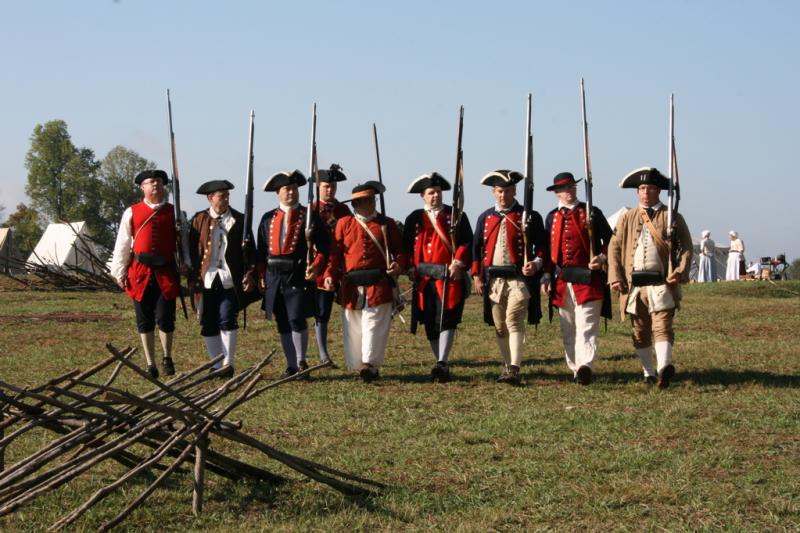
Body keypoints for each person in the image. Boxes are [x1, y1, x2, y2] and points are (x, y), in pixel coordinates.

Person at [607, 167, 692, 388]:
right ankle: (648, 372)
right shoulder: (628, 217)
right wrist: (616, 277)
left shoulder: (672, 216)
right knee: (640, 330)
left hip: (661, 284)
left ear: (659, 191)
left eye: (651, 188)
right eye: (642, 188)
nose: (646, 192)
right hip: (634, 286)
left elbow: (686, 247)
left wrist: (680, 272)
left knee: (662, 327)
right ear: (637, 192)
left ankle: (664, 368)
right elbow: (614, 248)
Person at [323, 181, 406, 382]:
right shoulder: (344, 224)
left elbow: (401, 252)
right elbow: (335, 254)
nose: (371, 203)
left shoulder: (387, 224)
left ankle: (369, 364)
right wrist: (328, 275)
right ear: (356, 204)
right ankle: (362, 365)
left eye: (372, 199)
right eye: (366, 200)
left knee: (374, 325)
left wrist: (398, 265)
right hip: (351, 286)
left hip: (378, 284)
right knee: (355, 326)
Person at [471, 170, 546, 386]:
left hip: (518, 280)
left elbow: (542, 247)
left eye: (508, 191)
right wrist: (477, 275)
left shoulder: (528, 215)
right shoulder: (485, 217)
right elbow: (476, 249)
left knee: (513, 320)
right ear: (494, 193)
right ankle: (506, 365)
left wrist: (537, 263)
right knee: (500, 326)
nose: (503, 195)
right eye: (499, 191)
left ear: (514, 191)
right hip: (493, 280)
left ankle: (514, 367)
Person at [256, 170, 329, 378]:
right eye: (287, 189)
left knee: (297, 318)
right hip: (274, 276)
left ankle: (301, 362)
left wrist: (315, 266)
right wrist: (261, 274)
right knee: (282, 321)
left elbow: (324, 247)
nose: (291, 193)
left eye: (295, 189)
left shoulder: (309, 216)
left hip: (298, 274)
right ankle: (290, 365)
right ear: (278, 192)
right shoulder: (267, 218)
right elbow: (261, 251)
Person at [541, 172, 612, 385]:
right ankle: (575, 368)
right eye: (564, 188)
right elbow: (547, 250)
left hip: (588, 277)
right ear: (557, 193)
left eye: (572, 187)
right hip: (562, 280)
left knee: (587, 325)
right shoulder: (551, 217)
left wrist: (601, 257)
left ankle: (585, 366)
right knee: (568, 327)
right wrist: (546, 275)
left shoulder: (591, 212)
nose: (569, 191)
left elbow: (611, 241)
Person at [110, 169, 180, 379]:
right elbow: (122, 243)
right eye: (150, 182)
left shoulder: (174, 212)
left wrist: (185, 264)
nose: (155, 185)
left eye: (158, 181)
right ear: (143, 187)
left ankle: (167, 357)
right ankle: (151, 363)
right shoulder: (131, 212)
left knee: (166, 318)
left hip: (165, 272)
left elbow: (182, 244)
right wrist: (119, 272)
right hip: (139, 273)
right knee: (144, 320)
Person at [403, 172, 473, 382]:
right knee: (430, 322)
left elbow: (466, 242)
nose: (435, 196)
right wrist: (409, 267)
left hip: (447, 277)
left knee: (447, 319)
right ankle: (440, 362)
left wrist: (458, 262)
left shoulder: (456, 215)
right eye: (431, 193)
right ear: (423, 196)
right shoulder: (414, 218)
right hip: (424, 279)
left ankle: (442, 361)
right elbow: (406, 247)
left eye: (438, 192)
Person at [188, 180, 260, 377]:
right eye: (222, 196)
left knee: (228, 318)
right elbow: (191, 251)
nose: (226, 199)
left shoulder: (239, 219)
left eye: (227, 195)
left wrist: (250, 273)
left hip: (229, 278)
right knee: (208, 321)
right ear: (210, 198)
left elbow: (250, 253)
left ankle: (228, 363)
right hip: (207, 279)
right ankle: (216, 364)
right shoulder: (198, 220)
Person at [310, 164, 351, 367]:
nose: (330, 190)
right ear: (319, 187)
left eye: (332, 186)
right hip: (319, 266)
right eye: (326, 186)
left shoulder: (343, 209)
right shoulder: (311, 210)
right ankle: (323, 354)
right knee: (321, 311)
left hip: (342, 266)